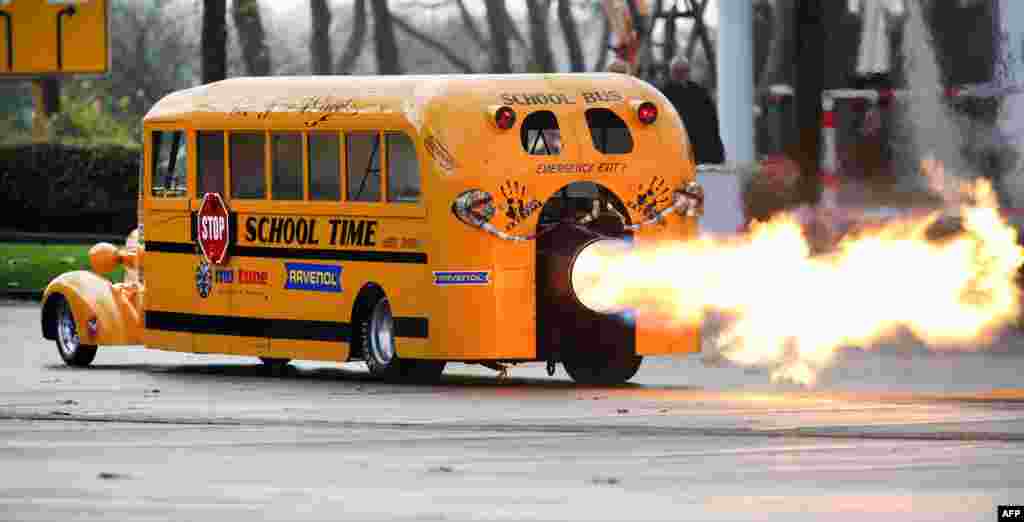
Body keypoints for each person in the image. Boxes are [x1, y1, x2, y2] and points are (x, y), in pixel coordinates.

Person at [660, 56, 725, 164]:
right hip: (673, 144)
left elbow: (711, 121)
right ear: (671, 72)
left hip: (699, 148)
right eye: (677, 71)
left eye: (683, 71)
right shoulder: (663, 94)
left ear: (688, 72)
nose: (680, 74)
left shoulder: (699, 93)